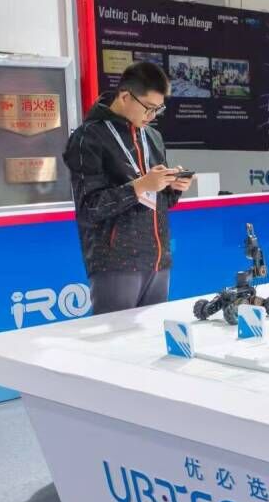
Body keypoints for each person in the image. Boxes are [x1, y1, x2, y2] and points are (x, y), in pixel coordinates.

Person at [63, 62, 193, 315]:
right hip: (116, 262)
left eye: (158, 109)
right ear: (125, 97)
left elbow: (161, 201)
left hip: (158, 259)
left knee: (153, 335)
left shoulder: (153, 137)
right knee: (115, 337)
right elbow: (90, 207)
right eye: (149, 108)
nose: (152, 116)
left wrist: (174, 186)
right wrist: (140, 186)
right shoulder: (88, 137)